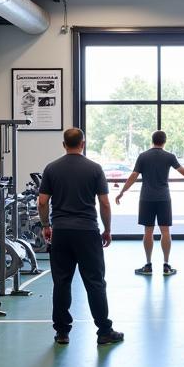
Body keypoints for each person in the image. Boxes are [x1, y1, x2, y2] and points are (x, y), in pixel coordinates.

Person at [38, 127, 123, 346]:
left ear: (64, 144)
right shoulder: (94, 169)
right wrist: (107, 229)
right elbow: (104, 202)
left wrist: (46, 225)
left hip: (62, 232)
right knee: (95, 282)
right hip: (87, 232)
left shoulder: (51, 168)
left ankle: (62, 333)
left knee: (62, 282)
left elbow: (42, 201)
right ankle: (104, 330)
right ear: (83, 144)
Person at [114, 130, 184, 276]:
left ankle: (148, 265)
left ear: (152, 140)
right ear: (164, 141)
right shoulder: (169, 156)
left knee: (148, 231)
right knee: (165, 231)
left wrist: (122, 191)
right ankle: (166, 266)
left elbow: (133, 176)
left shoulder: (143, 156)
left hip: (146, 198)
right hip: (163, 198)